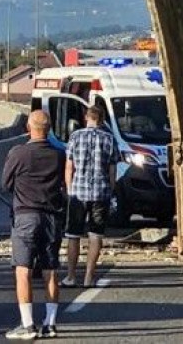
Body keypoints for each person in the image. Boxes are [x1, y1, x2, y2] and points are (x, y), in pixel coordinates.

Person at [1, 110, 67, 340]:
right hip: (52, 217)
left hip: (26, 216)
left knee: (23, 270)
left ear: (29, 127)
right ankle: (50, 324)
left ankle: (28, 325)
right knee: (50, 270)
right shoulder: (59, 154)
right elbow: (64, 185)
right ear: (48, 129)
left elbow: (5, 183)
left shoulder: (19, 153)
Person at [62, 104, 118, 288]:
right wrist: (110, 191)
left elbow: (69, 167)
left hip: (78, 192)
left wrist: (70, 189)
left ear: (87, 117)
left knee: (73, 235)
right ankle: (88, 277)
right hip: (100, 193)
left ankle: (70, 276)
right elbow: (112, 171)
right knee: (95, 235)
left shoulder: (75, 137)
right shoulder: (109, 139)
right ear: (102, 119)